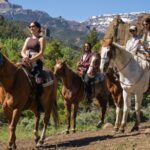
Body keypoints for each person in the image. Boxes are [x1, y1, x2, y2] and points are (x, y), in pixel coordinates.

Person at [21, 21, 45, 110]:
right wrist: (25, 57)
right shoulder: (27, 39)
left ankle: (39, 102)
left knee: (38, 79)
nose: (31, 28)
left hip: (36, 62)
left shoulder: (41, 39)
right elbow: (22, 51)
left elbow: (41, 52)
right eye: (30, 26)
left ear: (38, 28)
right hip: (26, 61)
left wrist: (31, 60)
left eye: (33, 26)